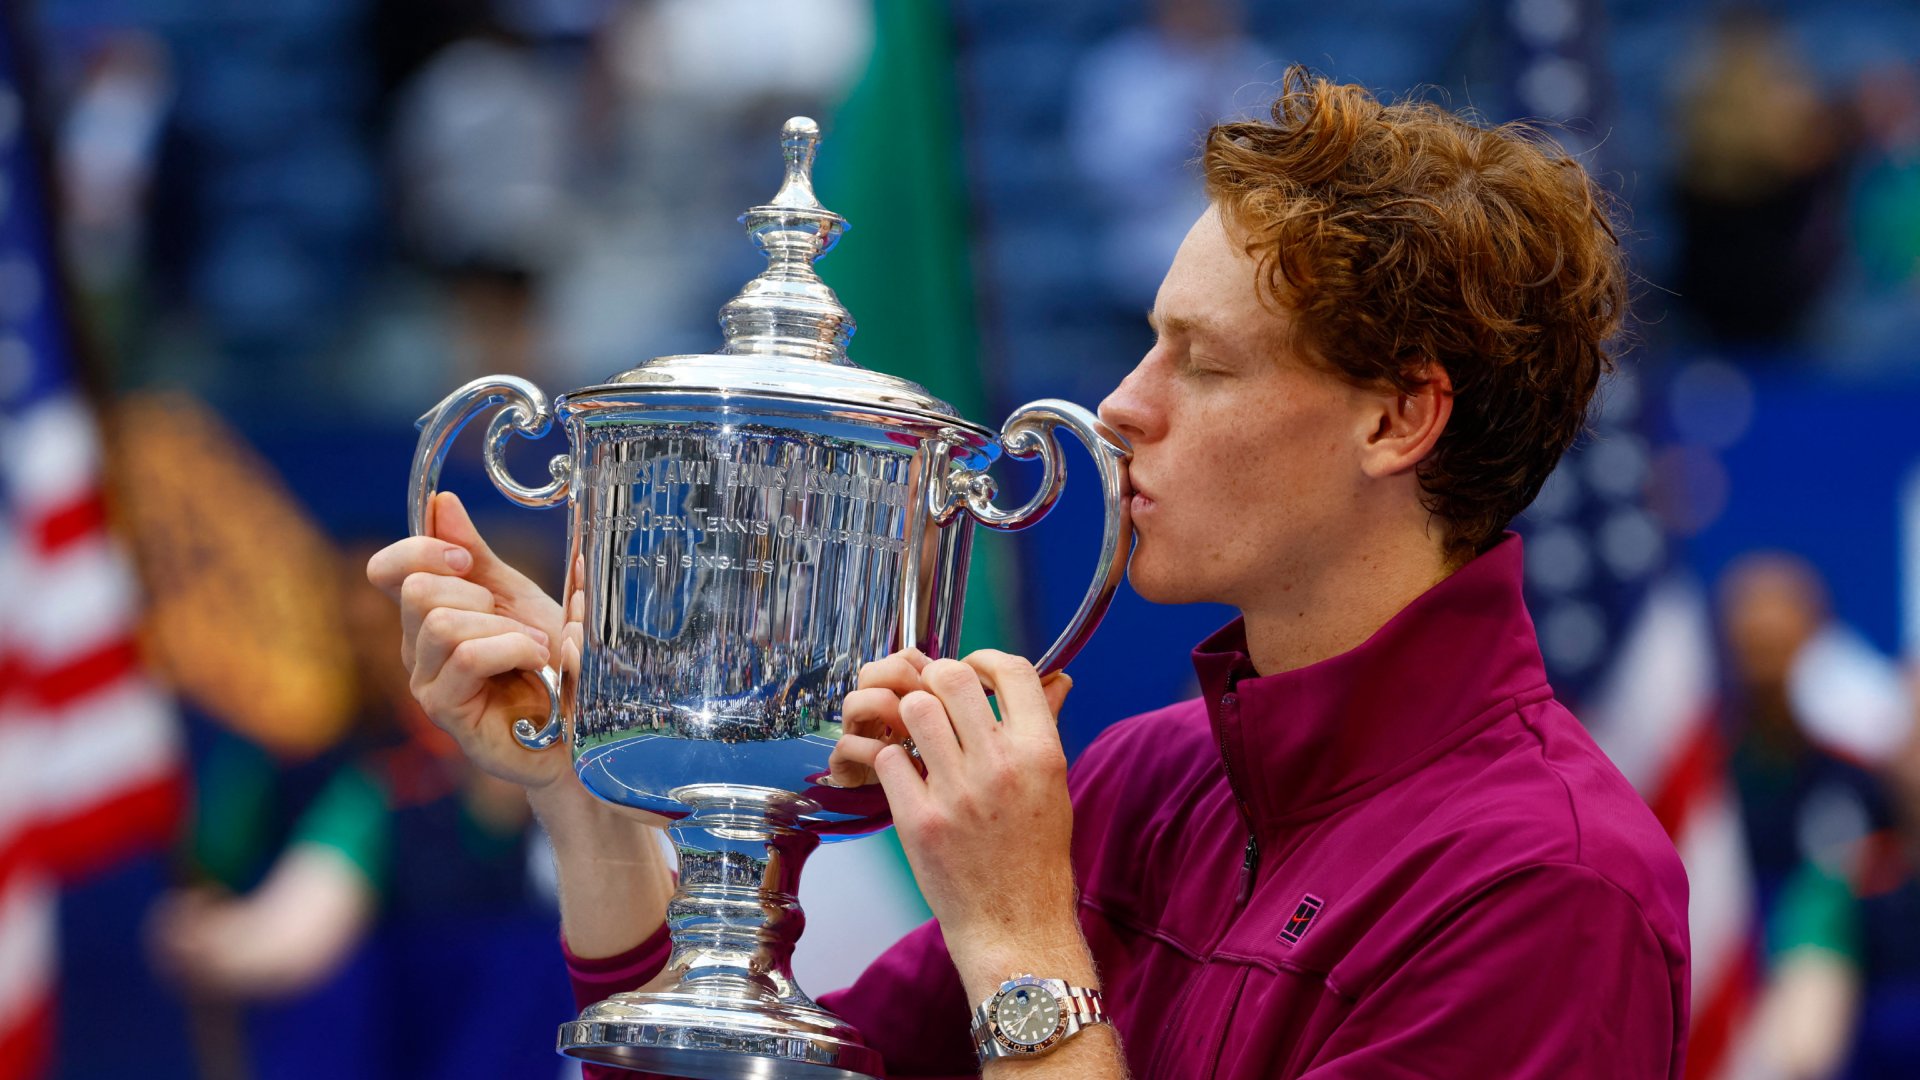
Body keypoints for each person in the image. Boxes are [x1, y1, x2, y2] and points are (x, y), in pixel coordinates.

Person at [368, 69, 1690, 1077]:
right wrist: (588, 783)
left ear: (1398, 420)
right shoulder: (1145, 781)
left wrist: (1017, 944)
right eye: (1145, 345)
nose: (1121, 406)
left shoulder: (1548, 890)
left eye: (1206, 363)